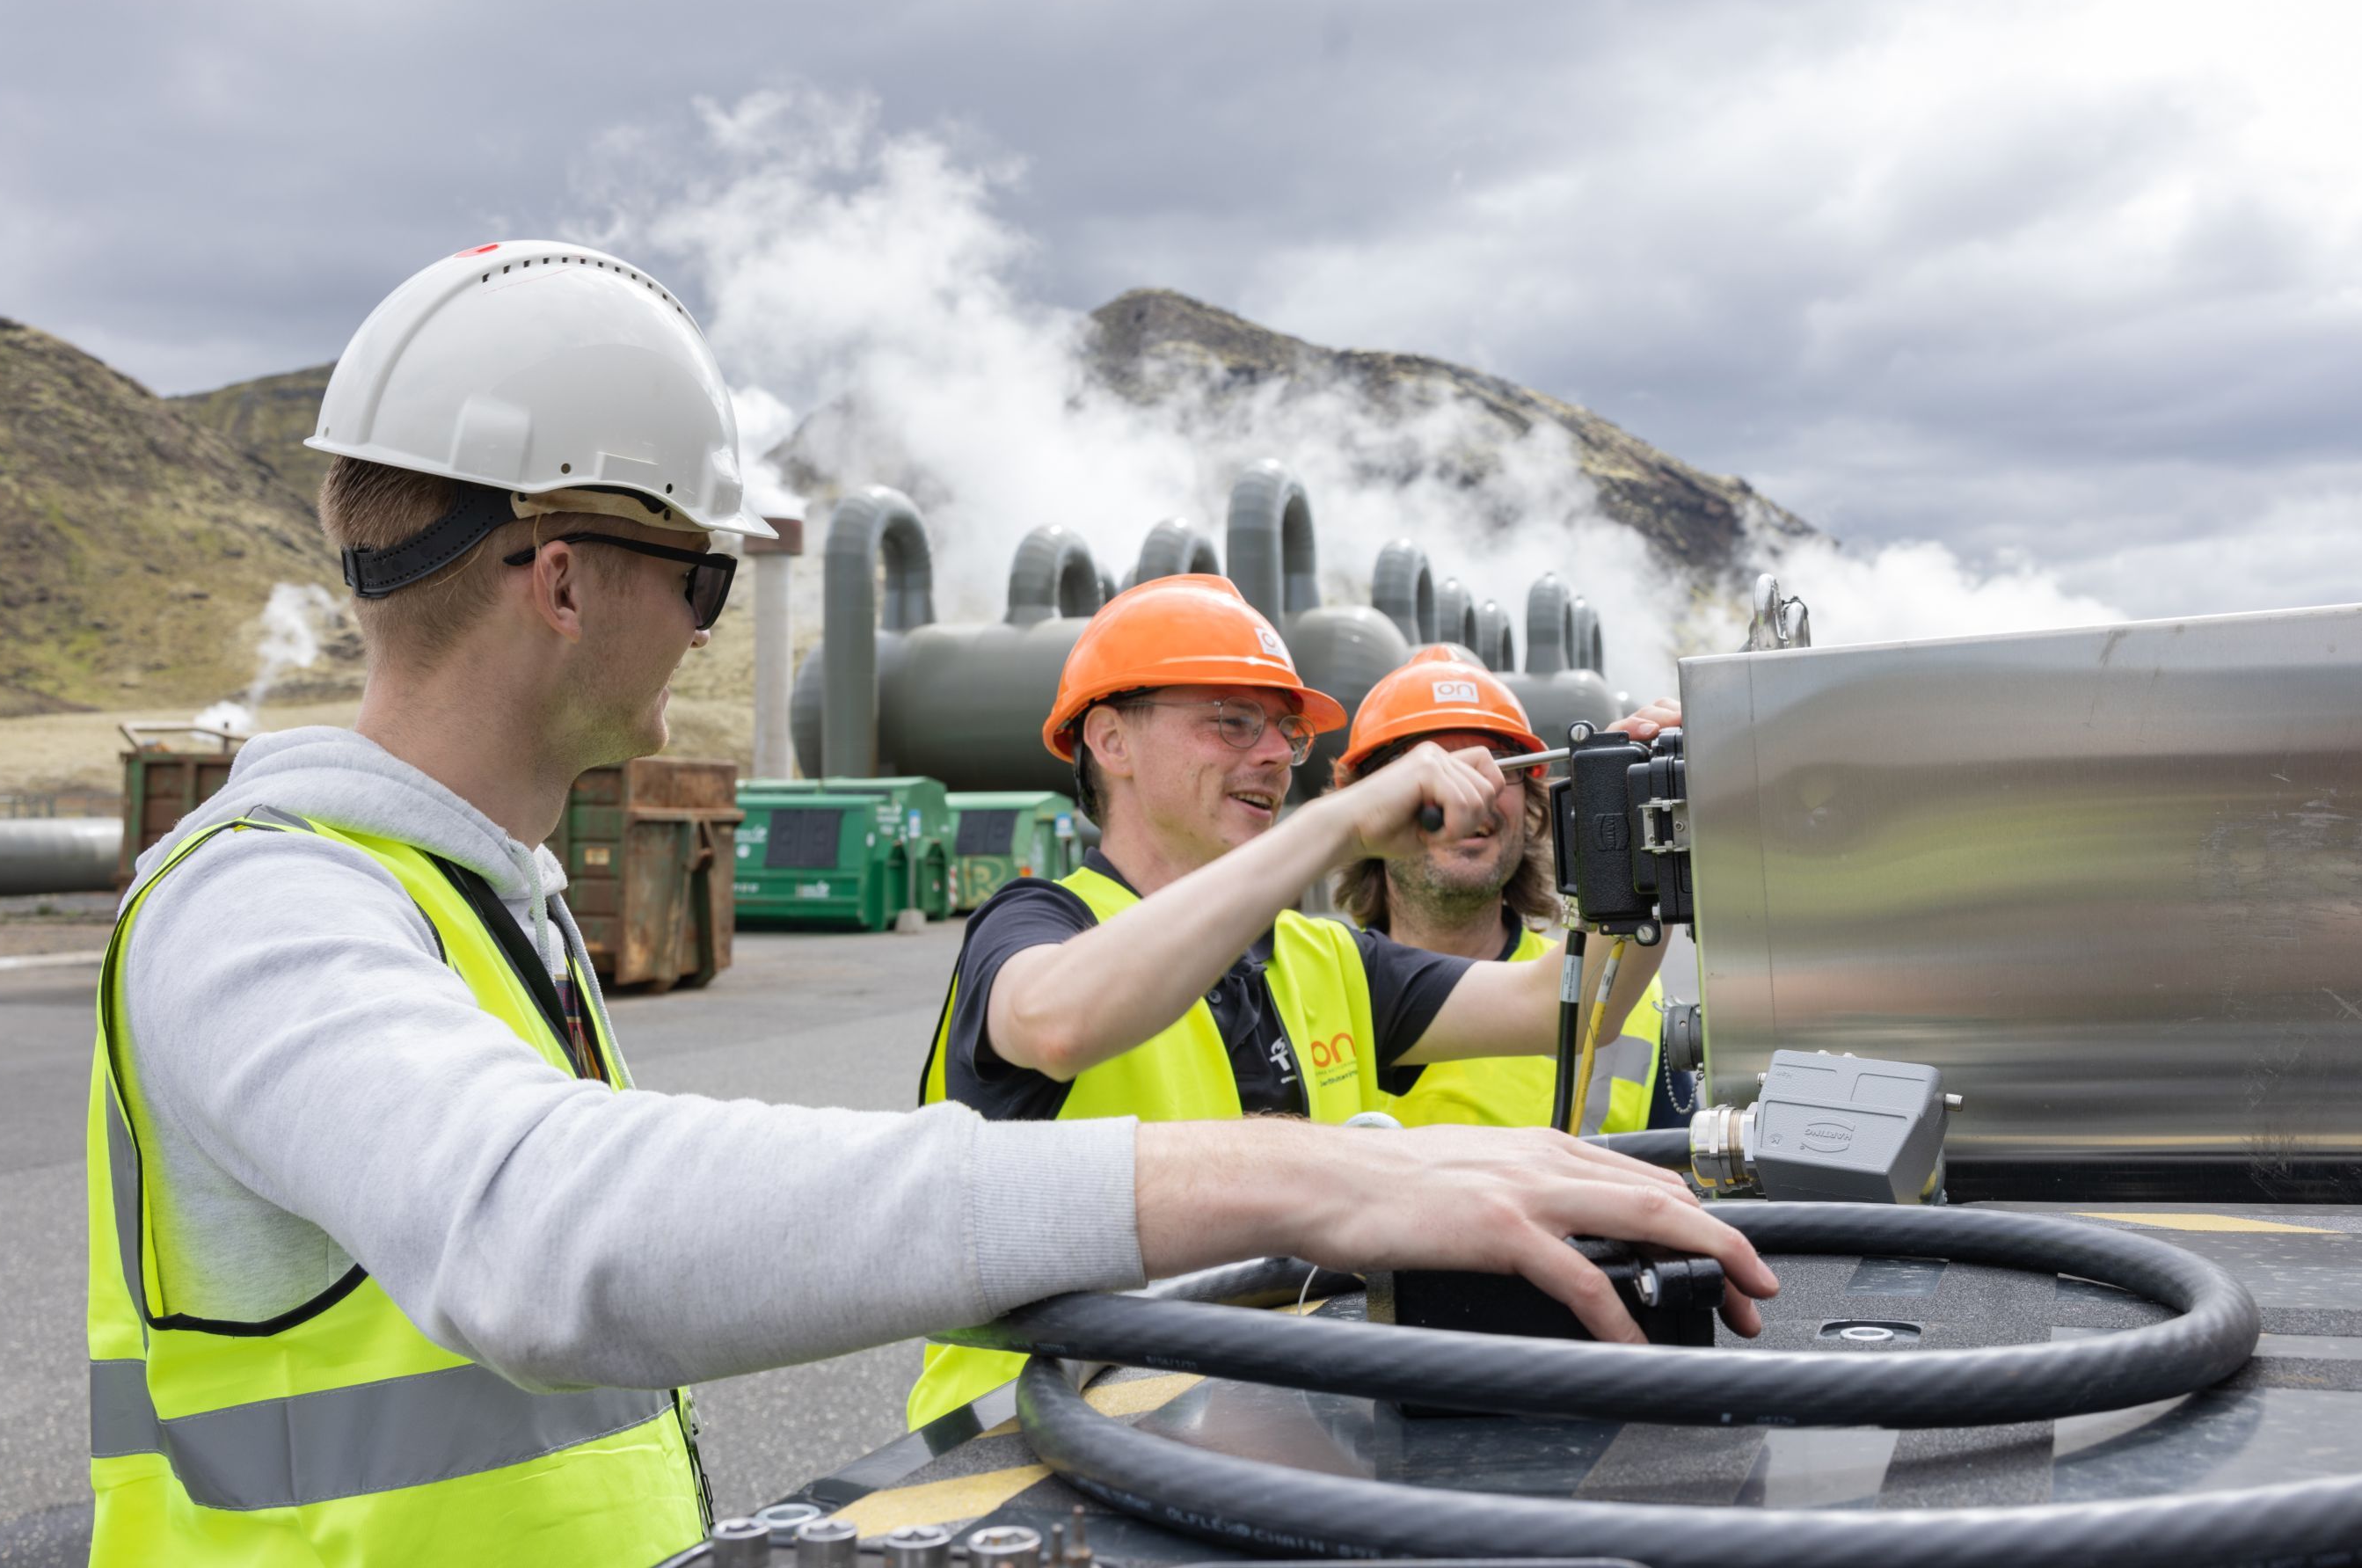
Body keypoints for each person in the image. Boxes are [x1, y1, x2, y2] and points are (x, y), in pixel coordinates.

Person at [88, 241, 1774, 1566]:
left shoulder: (485, 902)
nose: (706, 626)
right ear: (557, 583)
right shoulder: (262, 907)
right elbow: (544, 1239)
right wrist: (1319, 1179)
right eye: (702, 576)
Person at [909, 584, 1703, 1427]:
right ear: (1110, 738)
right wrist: (1334, 826)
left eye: (1284, 731)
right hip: (1015, 1450)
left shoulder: (1320, 957)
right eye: (1232, 721)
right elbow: (1055, 1023)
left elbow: (1575, 1009)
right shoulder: (1039, 924)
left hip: (1241, 1422)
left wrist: (1647, 829)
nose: (1276, 756)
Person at [1330, 645, 1688, 1135]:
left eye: (1498, 766)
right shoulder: (1318, 986)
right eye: (1428, 767)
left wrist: (1642, 804)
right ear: (1362, 799)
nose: (1469, 794)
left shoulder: (1625, 1000)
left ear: (1536, 797)